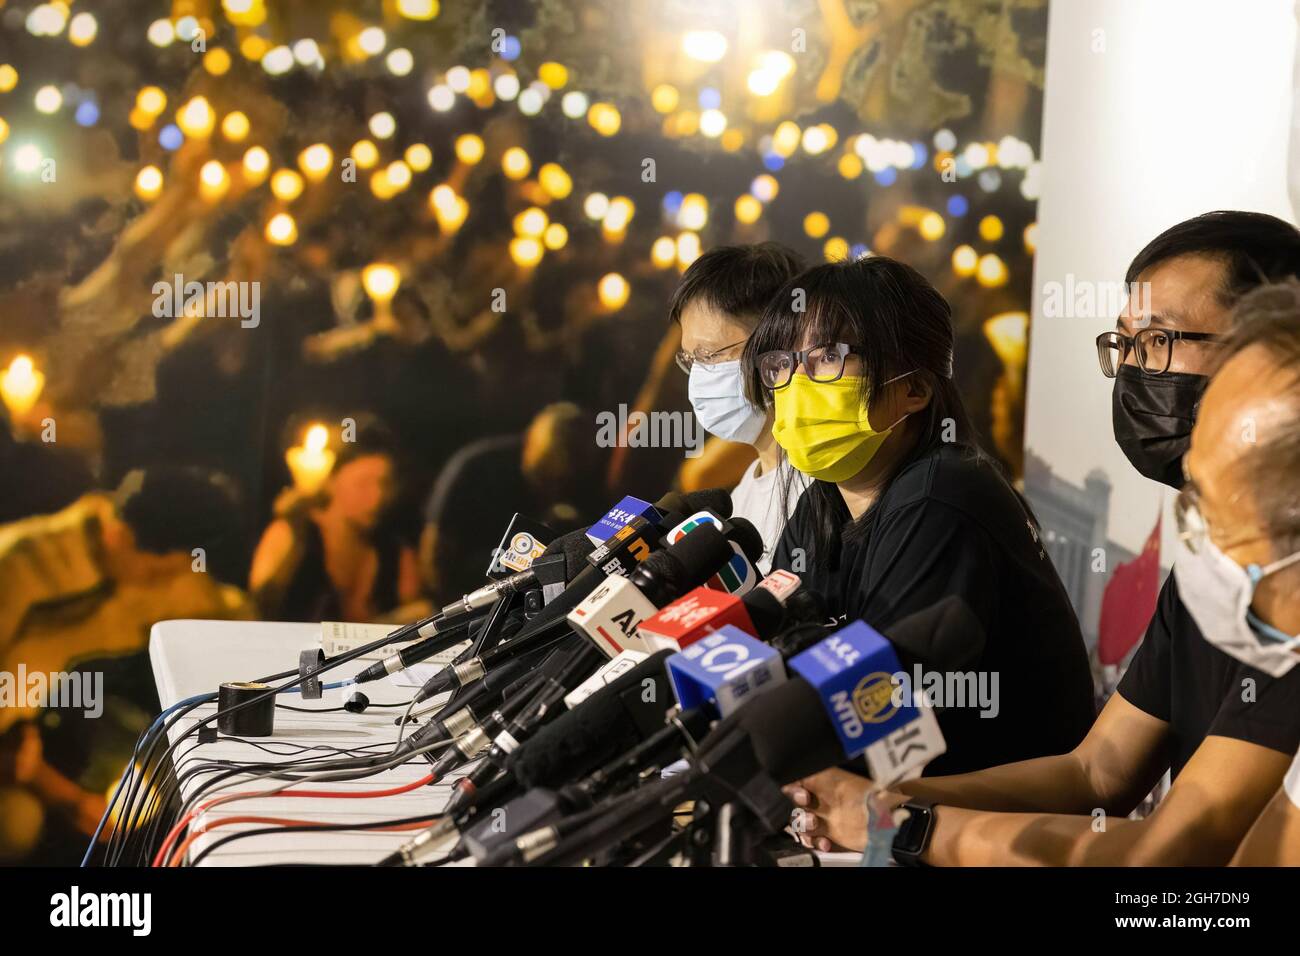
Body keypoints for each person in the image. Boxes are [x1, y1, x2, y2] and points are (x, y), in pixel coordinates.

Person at [785, 212, 1300, 865]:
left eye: (1161, 340)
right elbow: (1097, 775)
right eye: (1127, 345)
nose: (1137, 369)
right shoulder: (1215, 579)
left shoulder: (944, 498)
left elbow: (1180, 855)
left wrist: (901, 826)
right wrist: (874, 803)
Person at [748, 254, 1096, 776]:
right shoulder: (822, 502)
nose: (796, 384)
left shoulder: (944, 499)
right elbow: (777, 650)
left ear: (915, 387)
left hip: (985, 832)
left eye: (827, 358)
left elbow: (882, 715)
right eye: (781, 365)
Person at [670, 242, 809, 572]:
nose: (700, 375)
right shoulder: (744, 491)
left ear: (779, 348)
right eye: (692, 359)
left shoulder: (829, 485)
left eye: (711, 355)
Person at [418, 401, 606, 605]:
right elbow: (434, 551)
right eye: (543, 476)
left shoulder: (588, 483)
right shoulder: (476, 467)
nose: (551, 489)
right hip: (465, 596)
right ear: (529, 443)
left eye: (562, 481)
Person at [251, 421, 420, 622]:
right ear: (330, 482)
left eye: (384, 484)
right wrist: (297, 539)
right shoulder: (290, 534)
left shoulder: (396, 555)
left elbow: (419, 618)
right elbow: (260, 609)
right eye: (362, 484)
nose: (377, 498)